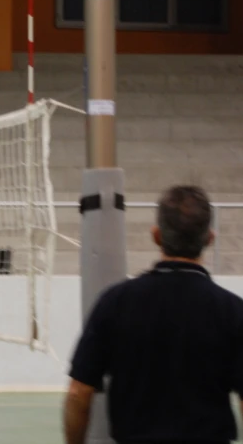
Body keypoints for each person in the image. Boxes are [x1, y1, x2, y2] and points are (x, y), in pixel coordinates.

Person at [64, 185, 243, 444]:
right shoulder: (232, 311)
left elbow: (78, 393)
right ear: (209, 239)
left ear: (156, 235)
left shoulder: (115, 302)